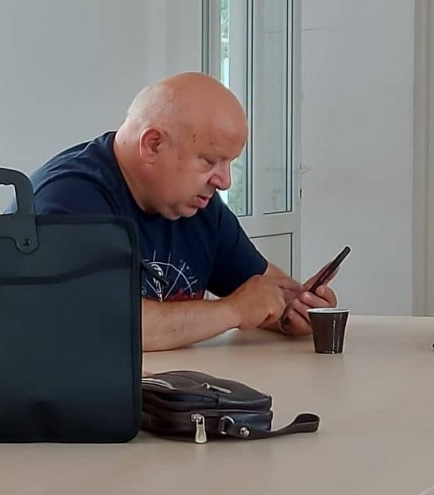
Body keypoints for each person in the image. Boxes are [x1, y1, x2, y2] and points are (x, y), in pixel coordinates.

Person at [22, 72, 338, 351]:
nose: (225, 181)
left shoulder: (195, 205)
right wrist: (233, 311)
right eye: (209, 161)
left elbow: (264, 289)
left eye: (229, 163)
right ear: (153, 145)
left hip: (169, 389)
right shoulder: (66, 200)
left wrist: (295, 308)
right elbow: (100, 325)